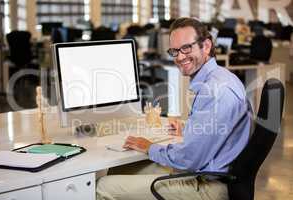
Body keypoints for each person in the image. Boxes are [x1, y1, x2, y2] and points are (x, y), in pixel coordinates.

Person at [96, 17, 252, 200]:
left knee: (103, 186)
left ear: (206, 46)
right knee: (121, 170)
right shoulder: (222, 77)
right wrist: (189, 129)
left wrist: (150, 147)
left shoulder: (216, 91)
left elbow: (190, 159)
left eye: (186, 48)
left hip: (209, 186)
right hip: (211, 172)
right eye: (174, 51)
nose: (179, 57)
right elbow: (219, 129)